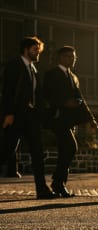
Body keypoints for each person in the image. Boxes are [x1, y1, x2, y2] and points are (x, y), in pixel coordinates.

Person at [0, 36, 57, 199]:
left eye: (38, 49)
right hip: (17, 116)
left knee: (37, 152)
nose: (37, 52)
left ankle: (42, 190)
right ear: (26, 49)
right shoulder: (15, 66)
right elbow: (8, 91)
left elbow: (36, 95)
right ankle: (42, 189)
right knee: (6, 150)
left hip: (31, 117)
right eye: (34, 49)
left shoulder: (33, 69)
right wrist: (9, 114)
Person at [43, 45, 97, 197]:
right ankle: (58, 182)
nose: (71, 59)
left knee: (65, 151)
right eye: (68, 56)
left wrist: (91, 119)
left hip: (70, 121)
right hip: (58, 119)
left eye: (73, 57)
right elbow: (46, 95)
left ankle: (59, 184)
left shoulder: (73, 76)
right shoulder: (52, 74)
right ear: (60, 57)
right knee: (71, 147)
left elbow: (81, 99)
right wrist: (64, 103)